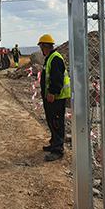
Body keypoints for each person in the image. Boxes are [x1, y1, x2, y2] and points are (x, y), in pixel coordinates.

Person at [38, 34, 71, 162]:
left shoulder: (55, 58)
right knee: (52, 121)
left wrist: (52, 92)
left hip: (56, 97)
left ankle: (58, 150)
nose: (40, 48)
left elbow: (57, 78)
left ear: (43, 46)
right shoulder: (50, 58)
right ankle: (54, 144)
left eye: (41, 45)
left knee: (57, 123)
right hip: (51, 98)